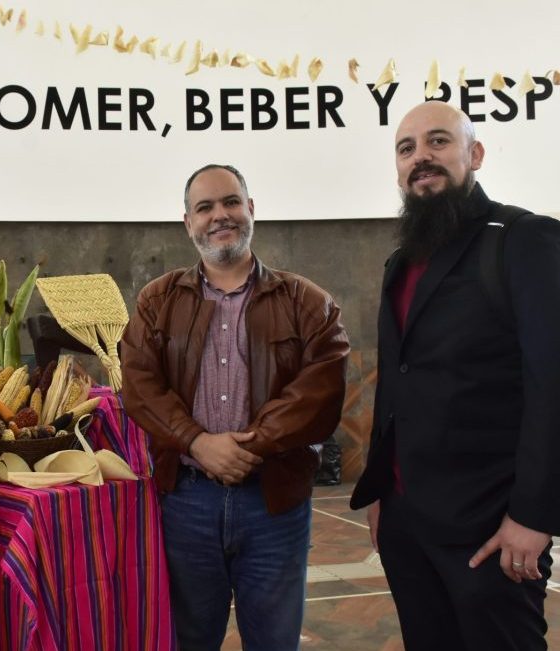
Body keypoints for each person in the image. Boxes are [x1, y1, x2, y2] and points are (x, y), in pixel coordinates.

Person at [350, 101, 560, 650]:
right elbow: (398, 383)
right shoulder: (401, 262)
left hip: (491, 529)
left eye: (438, 142)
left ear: (475, 154)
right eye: (407, 148)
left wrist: (534, 518)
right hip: (406, 524)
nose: (422, 158)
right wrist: (381, 493)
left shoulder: (523, 239)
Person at [121, 163, 350, 650]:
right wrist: (197, 443)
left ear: (251, 210)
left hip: (274, 503)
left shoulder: (307, 302)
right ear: (188, 222)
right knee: (188, 639)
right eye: (204, 207)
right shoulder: (156, 301)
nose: (219, 215)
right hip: (185, 501)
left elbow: (321, 393)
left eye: (230, 202)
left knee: (273, 640)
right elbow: (139, 384)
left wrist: (248, 447)